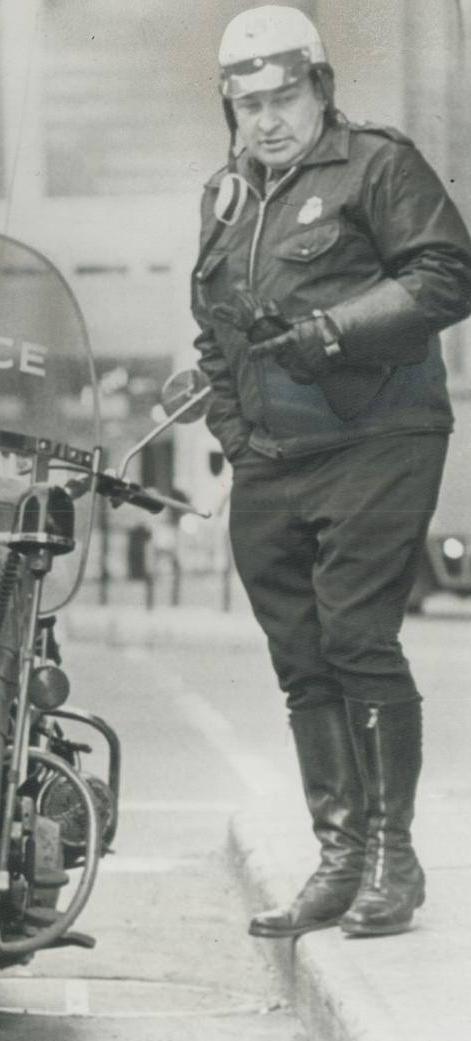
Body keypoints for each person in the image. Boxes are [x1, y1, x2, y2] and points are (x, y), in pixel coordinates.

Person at [191, 5, 471, 938]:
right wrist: (234, 432)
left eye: (283, 96)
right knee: (302, 661)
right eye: (247, 103)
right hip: (273, 461)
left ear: (320, 89)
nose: (267, 119)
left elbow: (444, 274)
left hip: (378, 440)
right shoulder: (225, 198)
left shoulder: (378, 164)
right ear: (228, 108)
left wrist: (332, 330)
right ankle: (341, 860)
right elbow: (214, 331)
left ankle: (395, 861)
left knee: (356, 637)